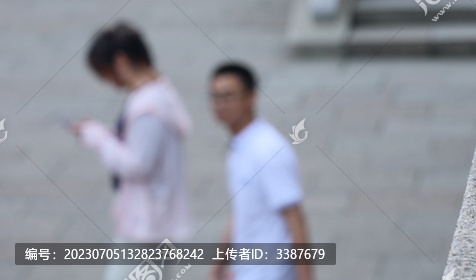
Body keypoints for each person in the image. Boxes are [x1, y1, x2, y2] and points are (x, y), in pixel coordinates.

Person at [72, 22, 193, 280]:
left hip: (145, 221)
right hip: (155, 215)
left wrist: (99, 139)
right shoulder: (160, 91)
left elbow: (137, 164)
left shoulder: (147, 106)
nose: (109, 81)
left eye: (106, 72)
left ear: (121, 60)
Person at [210, 62, 313, 280]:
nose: (221, 104)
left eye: (228, 96)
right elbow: (240, 211)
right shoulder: (240, 145)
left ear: (251, 97)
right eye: (215, 97)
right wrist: (219, 266)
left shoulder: (268, 149)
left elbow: (295, 218)